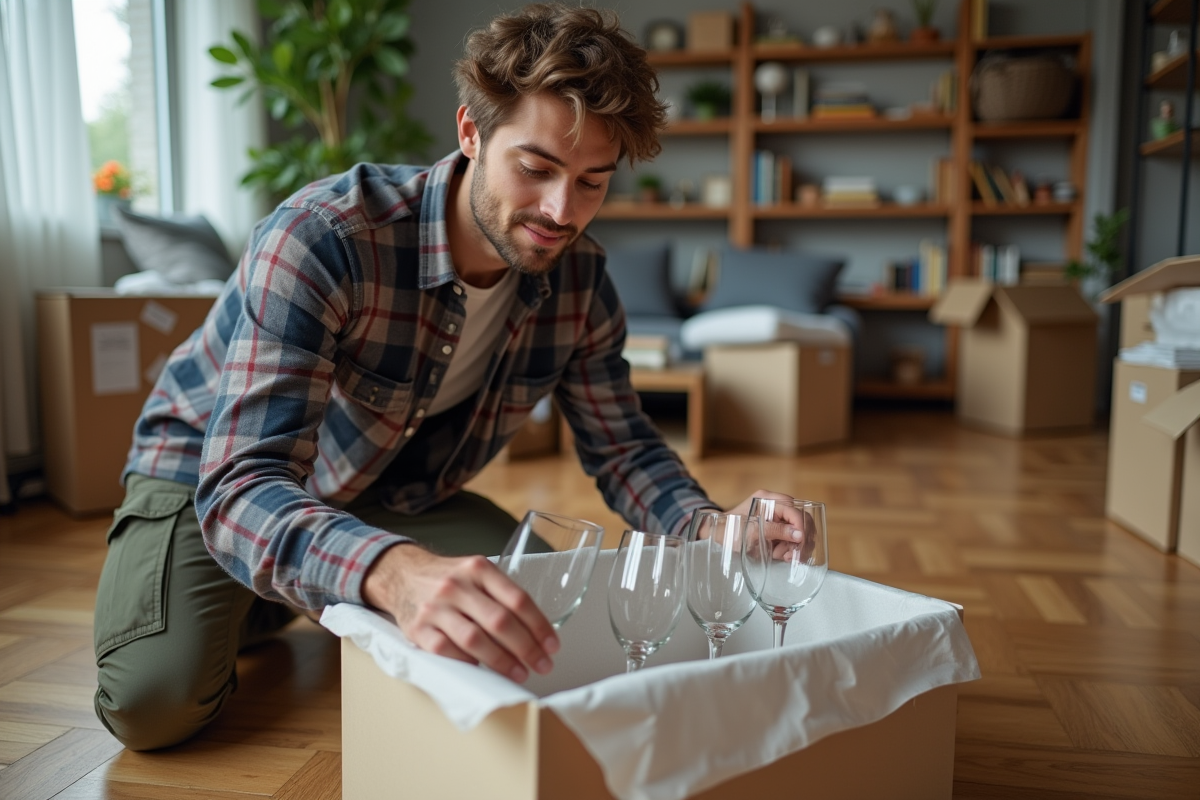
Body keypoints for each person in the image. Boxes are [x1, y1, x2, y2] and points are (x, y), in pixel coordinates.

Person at [92, 3, 799, 752]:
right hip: (215, 476)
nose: (563, 212)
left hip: (387, 492)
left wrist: (711, 527)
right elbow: (243, 482)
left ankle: (304, 587)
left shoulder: (581, 279)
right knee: (154, 704)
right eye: (536, 168)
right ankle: (275, 594)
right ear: (471, 132)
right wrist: (392, 574)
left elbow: (624, 448)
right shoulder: (323, 239)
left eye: (593, 181)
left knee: (538, 612)